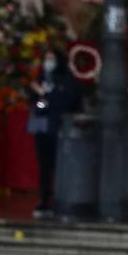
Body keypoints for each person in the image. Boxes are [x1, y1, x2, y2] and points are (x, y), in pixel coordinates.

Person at [26, 48, 83, 219]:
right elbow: (39, 105)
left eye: (51, 58)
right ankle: (44, 199)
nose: (48, 62)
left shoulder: (65, 80)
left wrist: (48, 96)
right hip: (42, 127)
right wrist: (42, 100)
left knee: (60, 166)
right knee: (44, 166)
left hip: (59, 129)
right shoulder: (41, 79)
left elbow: (68, 101)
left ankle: (61, 200)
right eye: (46, 58)